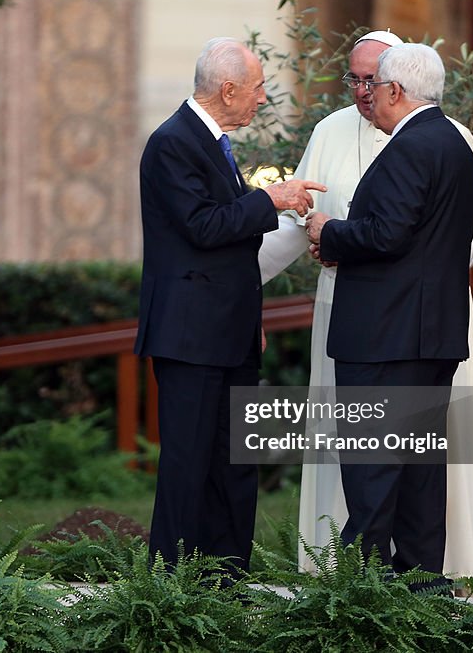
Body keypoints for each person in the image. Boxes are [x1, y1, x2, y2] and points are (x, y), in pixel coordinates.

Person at [259, 32, 473, 582]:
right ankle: (421, 580)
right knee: (418, 469)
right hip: (432, 333)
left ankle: (362, 591)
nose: (366, 94)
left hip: (386, 336)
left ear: (394, 89)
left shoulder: (410, 146)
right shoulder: (452, 142)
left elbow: (388, 235)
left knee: (371, 469)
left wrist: (329, 231)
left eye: (375, 83)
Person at [135, 37, 326, 575]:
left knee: (234, 465)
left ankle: (226, 581)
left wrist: (252, 314)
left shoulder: (212, 141)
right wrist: (273, 198)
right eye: (258, 88)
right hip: (191, 339)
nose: (263, 99)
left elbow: (230, 250)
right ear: (227, 89)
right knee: (188, 465)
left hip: (231, 332)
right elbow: (203, 228)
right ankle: (170, 589)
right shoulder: (173, 142)